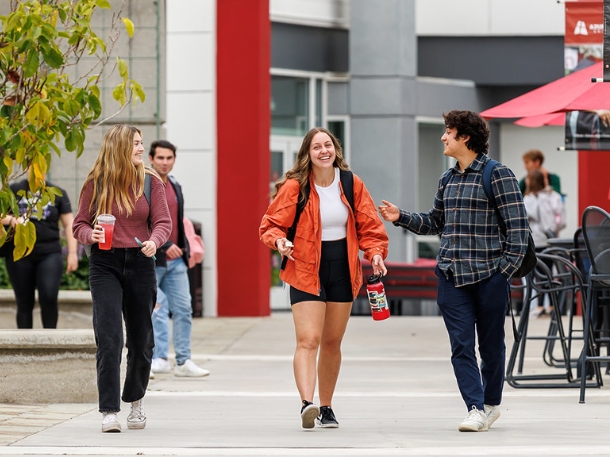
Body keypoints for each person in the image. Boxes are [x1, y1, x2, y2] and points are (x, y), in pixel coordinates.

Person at [378, 110, 529, 432]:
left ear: (466, 137)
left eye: (449, 131)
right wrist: (400, 216)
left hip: (490, 275)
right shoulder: (447, 178)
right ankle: (474, 408)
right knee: (461, 345)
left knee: (490, 346)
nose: (443, 137)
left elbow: (519, 230)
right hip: (450, 275)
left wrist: (504, 271)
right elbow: (435, 222)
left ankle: (490, 404)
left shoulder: (498, 174)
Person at [259, 127, 389, 429]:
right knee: (308, 340)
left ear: (335, 150)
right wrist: (279, 241)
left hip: (343, 268)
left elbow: (370, 228)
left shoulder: (351, 183)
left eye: (327, 145)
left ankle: (327, 406)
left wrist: (375, 254)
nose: (323, 151)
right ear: (307, 154)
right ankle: (308, 403)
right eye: (316, 147)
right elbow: (271, 225)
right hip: (305, 268)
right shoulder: (295, 187)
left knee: (331, 342)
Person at [72, 124, 171, 433]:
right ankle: (109, 411)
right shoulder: (96, 183)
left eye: (142, 143)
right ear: (120, 147)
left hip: (141, 261)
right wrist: (92, 233)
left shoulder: (151, 181)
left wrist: (155, 240)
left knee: (142, 341)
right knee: (109, 336)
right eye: (137, 144)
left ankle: (136, 400)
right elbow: (79, 225)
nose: (142, 149)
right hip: (105, 263)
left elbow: (163, 222)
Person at [148, 140, 209, 377]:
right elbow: (143, 222)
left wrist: (183, 247)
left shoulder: (175, 185)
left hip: (176, 261)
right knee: (157, 308)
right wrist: (165, 245)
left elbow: (178, 221)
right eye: (160, 158)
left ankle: (183, 361)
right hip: (152, 259)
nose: (165, 162)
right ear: (151, 159)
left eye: (169, 158)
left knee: (184, 308)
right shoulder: (144, 184)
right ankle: (158, 358)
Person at [1, 176, 78, 328]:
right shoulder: (14, 190)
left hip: (49, 252)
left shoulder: (56, 192)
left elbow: (69, 224)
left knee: (49, 297)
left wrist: (73, 253)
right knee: (24, 302)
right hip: (19, 252)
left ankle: (50, 343)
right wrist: (11, 220)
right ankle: (25, 347)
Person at [523, 169, 567, 318]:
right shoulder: (552, 196)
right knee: (548, 272)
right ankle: (549, 305)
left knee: (538, 274)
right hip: (550, 239)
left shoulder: (530, 198)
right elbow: (560, 218)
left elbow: (527, 216)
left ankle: (541, 305)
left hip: (536, 239)